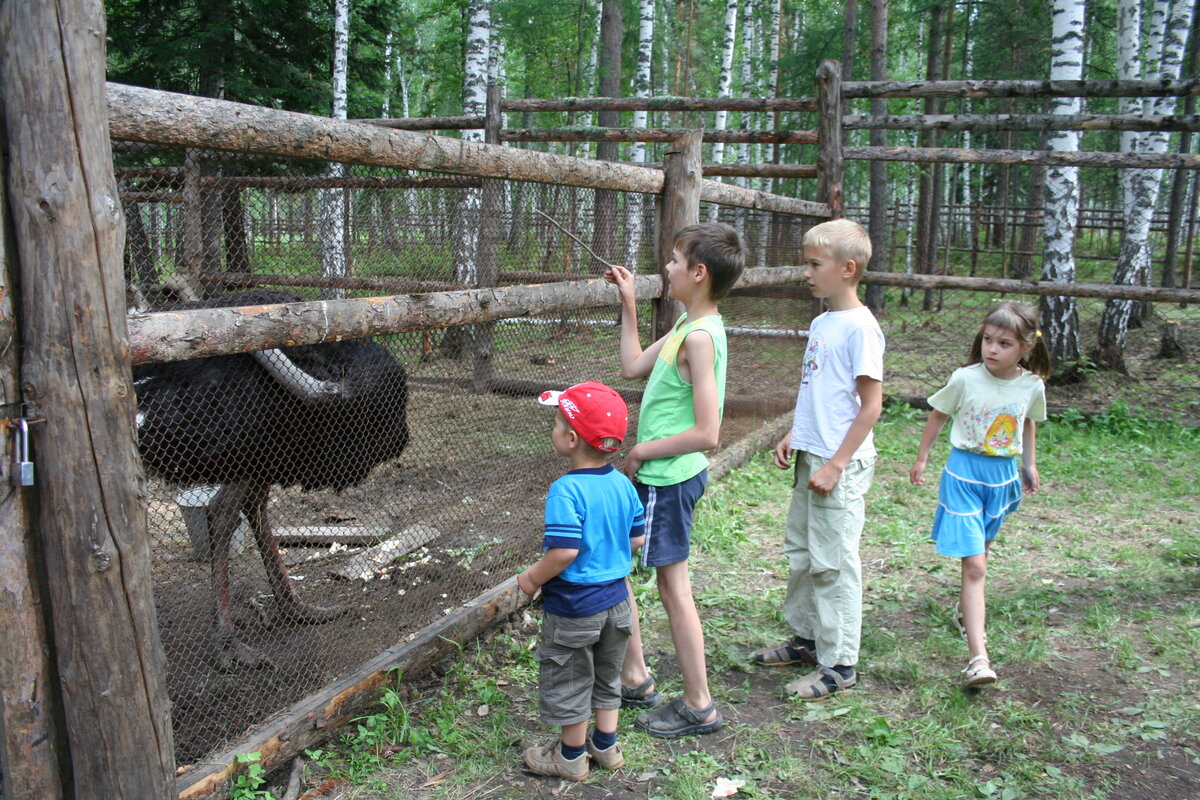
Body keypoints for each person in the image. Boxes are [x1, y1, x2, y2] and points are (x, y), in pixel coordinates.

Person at [602, 221, 746, 738]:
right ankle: (636, 677)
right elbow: (631, 366)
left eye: (674, 260)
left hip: (667, 479)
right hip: (659, 477)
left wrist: (642, 450)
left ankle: (699, 704)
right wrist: (629, 304)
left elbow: (708, 432)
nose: (666, 268)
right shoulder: (688, 325)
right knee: (620, 565)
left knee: (672, 588)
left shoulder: (702, 338)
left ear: (698, 272)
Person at [752, 218, 884, 702]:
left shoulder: (861, 329)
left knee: (833, 562)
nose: (805, 272)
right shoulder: (824, 321)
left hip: (838, 465)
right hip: (814, 454)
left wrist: (836, 464)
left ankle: (840, 662)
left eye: (814, 264)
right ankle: (808, 639)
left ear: (847, 269)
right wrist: (796, 433)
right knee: (804, 553)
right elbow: (822, 394)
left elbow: (871, 406)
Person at [909, 301, 1050, 688]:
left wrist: (1029, 464)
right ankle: (978, 659)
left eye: (1004, 343)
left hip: (1002, 480)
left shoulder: (1031, 385)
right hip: (963, 475)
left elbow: (1027, 424)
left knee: (981, 555)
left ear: (1025, 347)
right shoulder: (965, 378)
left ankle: (963, 612)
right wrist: (922, 459)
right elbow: (938, 414)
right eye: (988, 339)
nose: (991, 349)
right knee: (975, 567)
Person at [518, 381, 645, 781]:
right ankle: (605, 747)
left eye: (556, 423)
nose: (552, 430)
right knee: (607, 675)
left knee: (571, 678)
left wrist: (529, 579)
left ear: (571, 439)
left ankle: (571, 756)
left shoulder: (566, 490)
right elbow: (637, 539)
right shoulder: (623, 484)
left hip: (574, 607)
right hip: (618, 602)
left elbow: (564, 552)